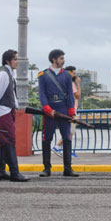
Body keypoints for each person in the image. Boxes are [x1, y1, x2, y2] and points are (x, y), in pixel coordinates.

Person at [0, 49, 29, 182]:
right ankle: (14, 172)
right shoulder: (3, 74)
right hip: (2, 110)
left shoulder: (8, 74)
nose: (17, 61)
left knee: (2, 142)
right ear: (8, 61)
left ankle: (0, 172)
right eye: (15, 59)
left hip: (7, 109)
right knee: (10, 140)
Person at [37, 49, 77, 178]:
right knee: (47, 139)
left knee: (66, 138)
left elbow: (70, 94)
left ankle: (68, 169)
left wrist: (71, 110)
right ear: (54, 59)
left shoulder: (66, 75)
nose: (63, 61)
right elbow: (42, 93)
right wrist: (46, 108)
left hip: (64, 108)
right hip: (50, 110)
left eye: (63, 58)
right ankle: (46, 168)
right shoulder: (43, 75)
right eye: (61, 58)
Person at [54, 66, 81, 158]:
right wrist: (78, 84)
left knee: (69, 131)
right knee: (70, 132)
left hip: (65, 109)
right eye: (73, 72)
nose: (75, 74)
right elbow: (77, 96)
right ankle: (58, 147)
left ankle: (67, 151)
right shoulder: (71, 84)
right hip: (71, 110)